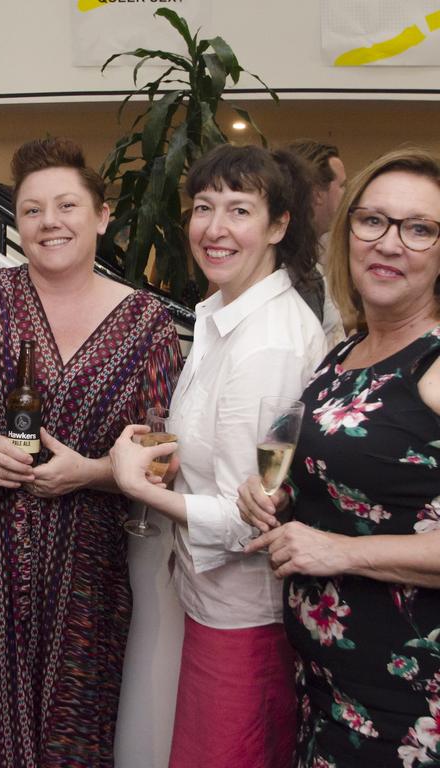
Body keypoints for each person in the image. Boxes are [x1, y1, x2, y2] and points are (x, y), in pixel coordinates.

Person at [0, 136, 182, 767]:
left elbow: (163, 454)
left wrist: (94, 472)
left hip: (87, 575)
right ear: (15, 222)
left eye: (67, 205)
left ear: (102, 216)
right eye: (31, 209)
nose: (50, 221)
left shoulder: (147, 324)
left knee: (72, 737)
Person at [110, 143, 327, 768]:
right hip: (210, 604)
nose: (214, 228)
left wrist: (135, 484)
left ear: (279, 226)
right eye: (203, 207)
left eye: (239, 210)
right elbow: (241, 456)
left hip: (246, 618)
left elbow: (249, 518)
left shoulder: (270, 348)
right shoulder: (223, 316)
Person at [239, 148, 440, 768]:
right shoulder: (343, 349)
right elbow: (337, 478)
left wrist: (341, 552)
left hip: (410, 703)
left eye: (420, 228)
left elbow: (349, 537)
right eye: (372, 220)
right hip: (328, 686)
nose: (389, 243)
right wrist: (272, 493)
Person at [290, 138, 348, 345]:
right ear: (317, 195)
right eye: (342, 186)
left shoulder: (308, 265)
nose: (346, 195)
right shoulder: (295, 275)